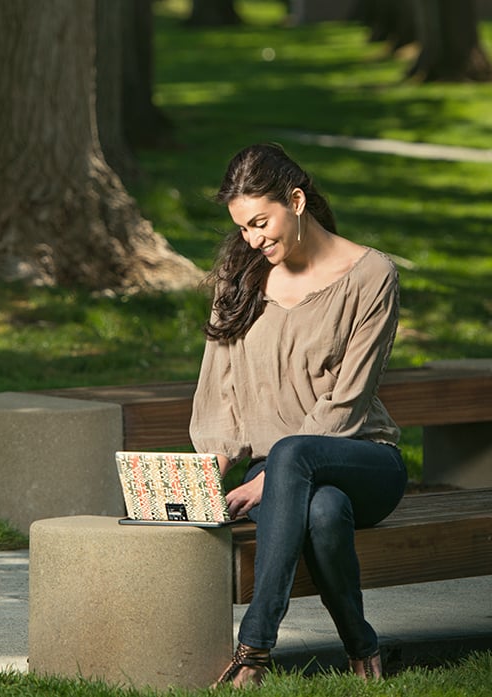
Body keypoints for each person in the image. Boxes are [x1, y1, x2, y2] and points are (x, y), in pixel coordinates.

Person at [189, 143, 407, 687]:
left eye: (261, 222)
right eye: (243, 228)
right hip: (280, 483)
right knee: (324, 514)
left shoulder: (371, 275)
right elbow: (221, 390)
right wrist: (211, 473)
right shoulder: (239, 280)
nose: (253, 239)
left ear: (297, 199)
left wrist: (266, 481)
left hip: (362, 460)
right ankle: (363, 649)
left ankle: (256, 643)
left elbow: (349, 402)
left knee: (297, 458)